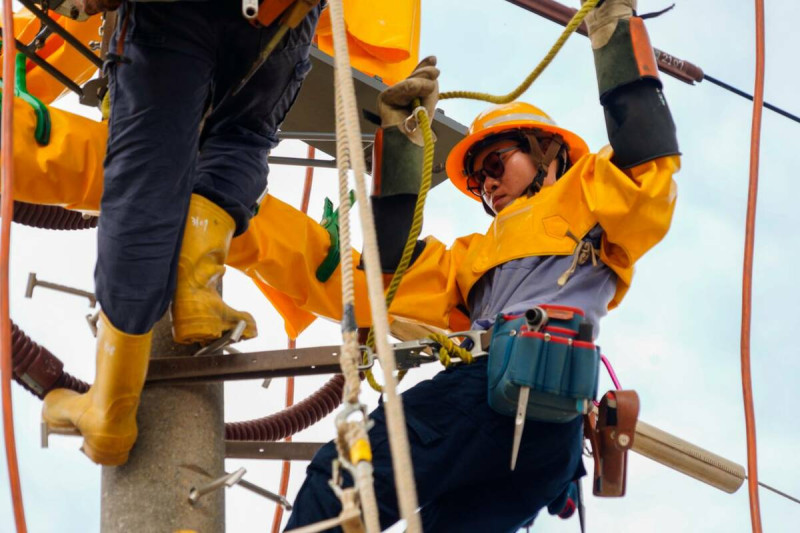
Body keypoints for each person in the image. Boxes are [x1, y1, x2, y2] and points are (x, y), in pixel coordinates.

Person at [231, 0, 679, 530]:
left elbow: (645, 155)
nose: (487, 184)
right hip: (541, 434)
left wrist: (615, 33)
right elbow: (385, 276)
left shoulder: (590, 198)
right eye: (479, 179)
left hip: (500, 395)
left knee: (345, 479)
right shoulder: (472, 257)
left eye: (496, 163)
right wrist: (400, 142)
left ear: (551, 154)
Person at [40, 0, 322, 466]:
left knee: (148, 173)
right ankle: (195, 294)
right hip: (281, 13)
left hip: (173, 14)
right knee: (243, 134)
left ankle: (110, 408)